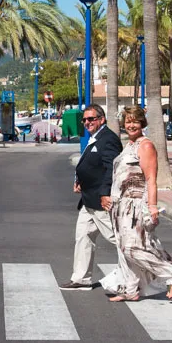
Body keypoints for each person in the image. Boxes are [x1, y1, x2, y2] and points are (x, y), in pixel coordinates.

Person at [100, 106, 172, 301]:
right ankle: (131, 289)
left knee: (132, 248)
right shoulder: (129, 145)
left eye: (135, 121)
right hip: (119, 205)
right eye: (128, 121)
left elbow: (151, 179)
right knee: (123, 250)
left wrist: (152, 207)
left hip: (134, 205)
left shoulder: (145, 145)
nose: (131, 125)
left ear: (142, 123)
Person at [60, 104, 123, 291]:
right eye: (85, 120)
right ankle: (81, 279)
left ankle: (145, 269)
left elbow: (111, 169)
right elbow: (89, 164)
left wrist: (105, 193)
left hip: (100, 201)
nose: (87, 123)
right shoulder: (95, 138)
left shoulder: (108, 139)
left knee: (119, 239)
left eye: (91, 119)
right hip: (88, 200)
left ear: (101, 119)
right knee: (83, 237)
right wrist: (79, 179)